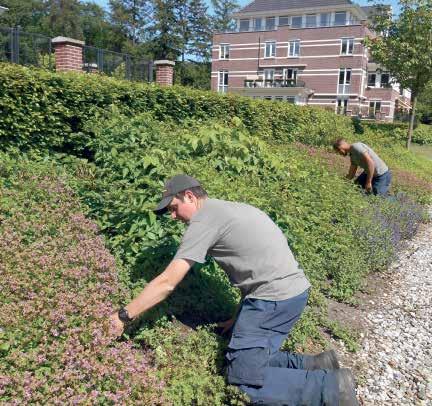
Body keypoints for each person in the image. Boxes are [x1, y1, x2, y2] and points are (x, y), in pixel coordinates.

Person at [109, 174, 358, 406]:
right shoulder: (229, 209)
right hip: (291, 293)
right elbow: (254, 269)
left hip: (272, 300)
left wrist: (123, 316)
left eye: (173, 208)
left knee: (244, 381)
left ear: (189, 196)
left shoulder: (204, 220)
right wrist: (236, 319)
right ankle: (317, 364)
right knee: (247, 356)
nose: (172, 216)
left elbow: (167, 282)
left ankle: (332, 387)